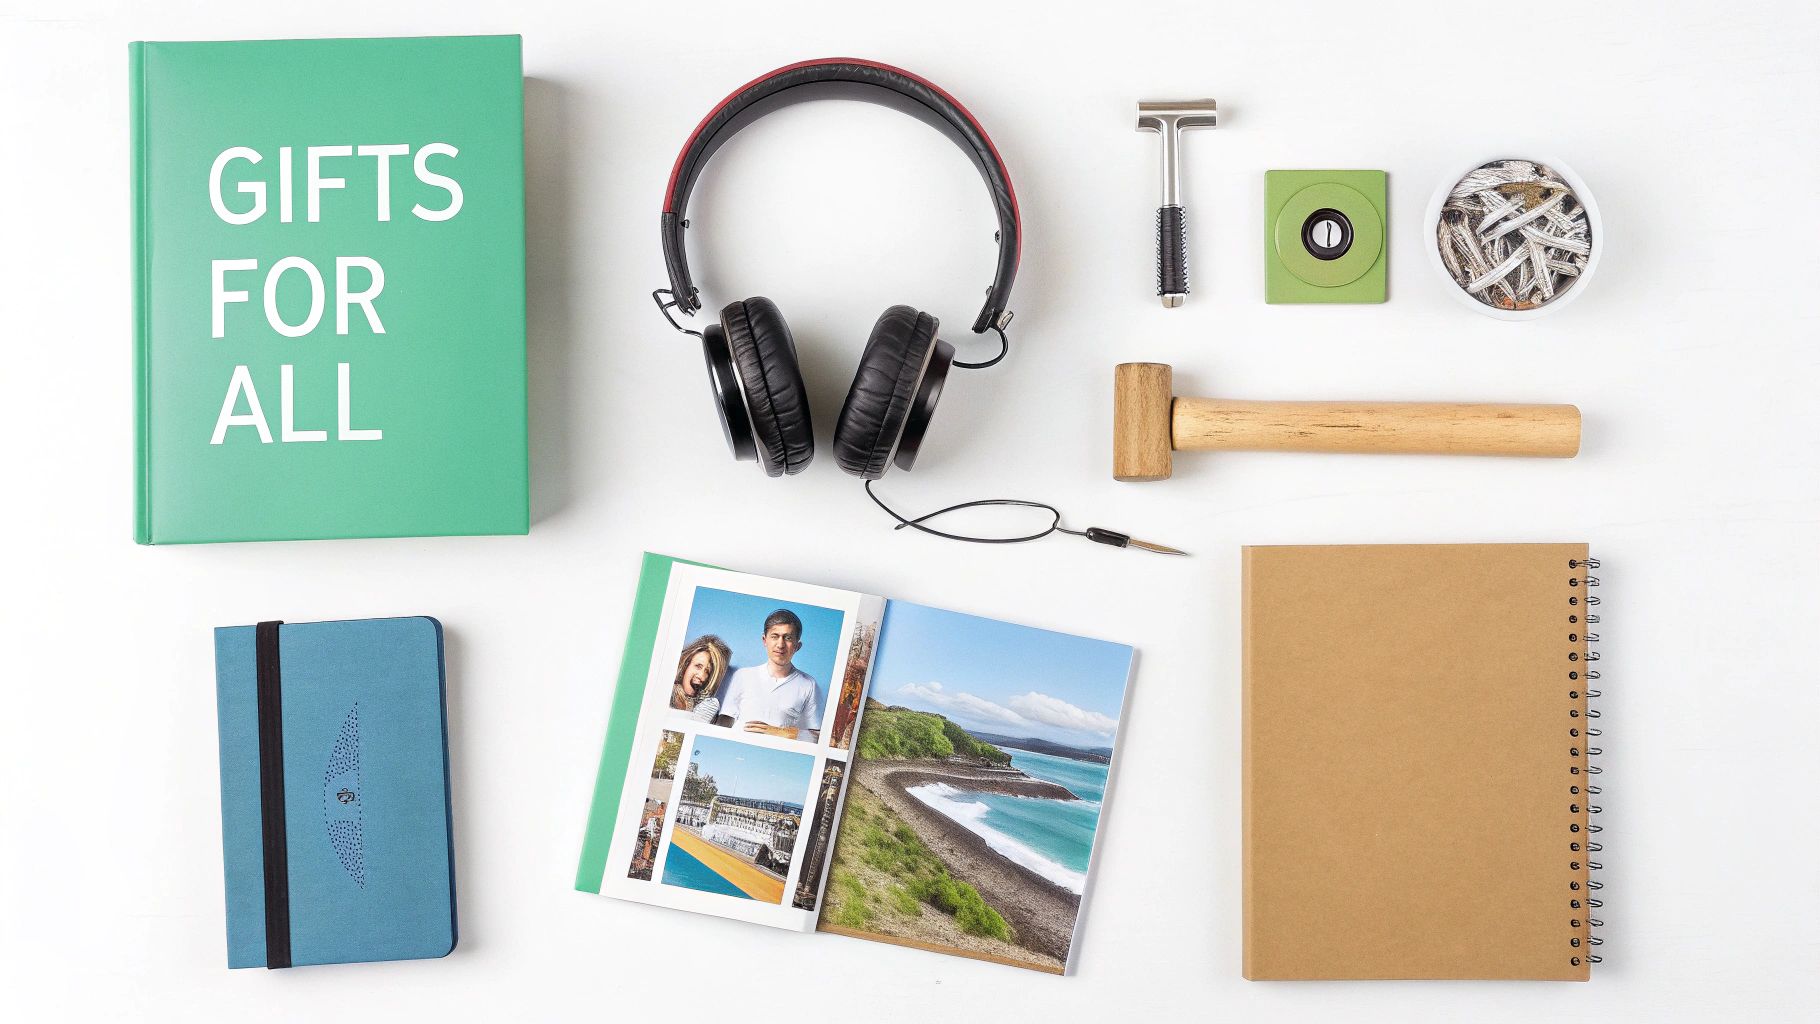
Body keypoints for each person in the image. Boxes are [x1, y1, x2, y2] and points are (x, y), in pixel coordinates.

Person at [716, 609, 822, 741]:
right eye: (775, 636)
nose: (780, 644)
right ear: (764, 640)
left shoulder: (808, 684)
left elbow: (816, 737)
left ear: (797, 646)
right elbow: (724, 721)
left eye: (788, 638)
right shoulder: (743, 676)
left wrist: (778, 732)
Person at [670, 635, 731, 721]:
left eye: (707, 671)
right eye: (698, 666)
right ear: (685, 665)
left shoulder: (706, 707)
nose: (702, 676)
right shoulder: (667, 692)